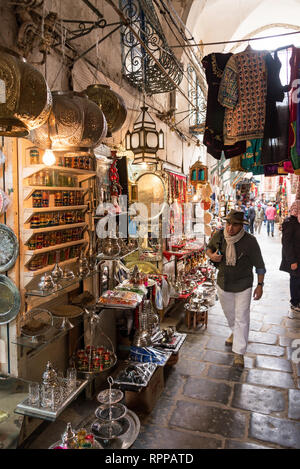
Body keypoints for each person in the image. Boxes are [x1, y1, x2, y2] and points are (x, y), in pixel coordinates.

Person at [206, 210, 266, 368]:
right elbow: (209, 249)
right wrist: (212, 256)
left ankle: (239, 353)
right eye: (228, 223)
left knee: (242, 317)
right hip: (223, 282)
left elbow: (260, 265)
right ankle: (235, 332)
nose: (230, 227)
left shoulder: (250, 241)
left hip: (243, 284)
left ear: (242, 226)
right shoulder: (219, 235)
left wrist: (260, 286)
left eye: (235, 224)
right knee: (230, 313)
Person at [279, 200, 300, 313]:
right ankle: (295, 302)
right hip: (294, 258)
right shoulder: (290, 222)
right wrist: (292, 260)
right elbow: (286, 243)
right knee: (296, 279)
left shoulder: (298, 221)